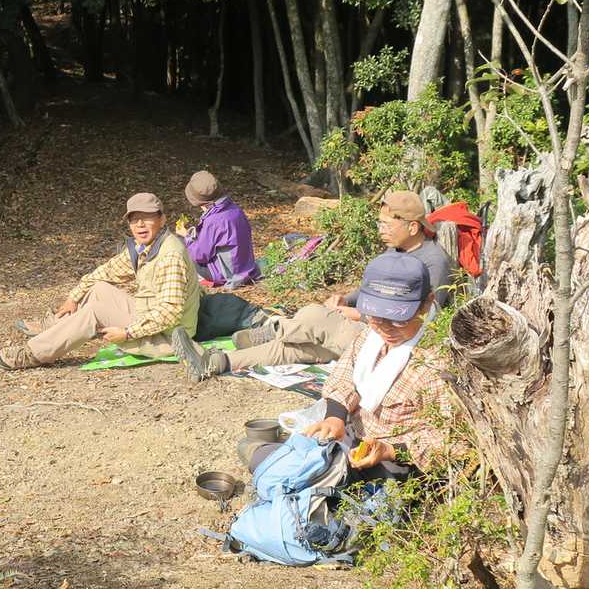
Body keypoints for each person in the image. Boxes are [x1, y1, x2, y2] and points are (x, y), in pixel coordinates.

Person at [171, 190, 457, 383]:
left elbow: (425, 317)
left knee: (312, 316)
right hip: (367, 333)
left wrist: (358, 315)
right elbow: (370, 290)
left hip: (389, 341)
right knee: (295, 349)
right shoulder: (396, 250)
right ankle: (216, 363)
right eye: (379, 224)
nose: (381, 230)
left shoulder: (434, 262)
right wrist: (344, 299)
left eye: (386, 225)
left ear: (412, 227)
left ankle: (276, 327)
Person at [0, 193, 200, 370]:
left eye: (147, 218)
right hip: (149, 316)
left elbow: (170, 311)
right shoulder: (147, 246)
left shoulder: (170, 255)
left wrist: (127, 333)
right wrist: (73, 297)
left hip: (169, 337)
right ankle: (53, 328)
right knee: (98, 288)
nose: (139, 225)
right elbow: (107, 272)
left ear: (162, 220)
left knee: (95, 311)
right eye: (134, 219)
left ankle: (32, 354)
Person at [302, 251, 457, 476]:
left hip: (400, 461)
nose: (385, 328)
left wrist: (390, 450)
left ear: (426, 305)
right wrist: (335, 417)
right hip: (354, 434)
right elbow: (344, 375)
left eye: (398, 320)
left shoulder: (436, 364)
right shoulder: (371, 336)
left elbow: (451, 438)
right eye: (375, 317)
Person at [176, 170, 260, 289]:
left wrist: (186, 236)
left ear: (201, 203)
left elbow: (200, 256)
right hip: (245, 267)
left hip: (224, 274)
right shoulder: (235, 209)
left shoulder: (213, 220)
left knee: (178, 242)